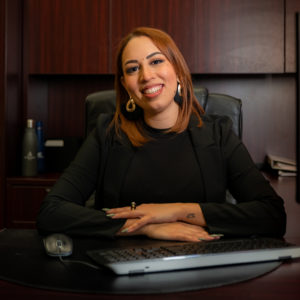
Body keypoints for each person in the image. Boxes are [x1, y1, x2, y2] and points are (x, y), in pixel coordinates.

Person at [36, 27, 286, 242]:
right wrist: (148, 227)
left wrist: (173, 211)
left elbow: (272, 215)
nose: (146, 76)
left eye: (156, 61)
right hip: (120, 270)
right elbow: (52, 211)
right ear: (125, 85)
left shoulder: (218, 134)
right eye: (133, 69)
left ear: (177, 69)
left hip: (201, 265)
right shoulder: (107, 134)